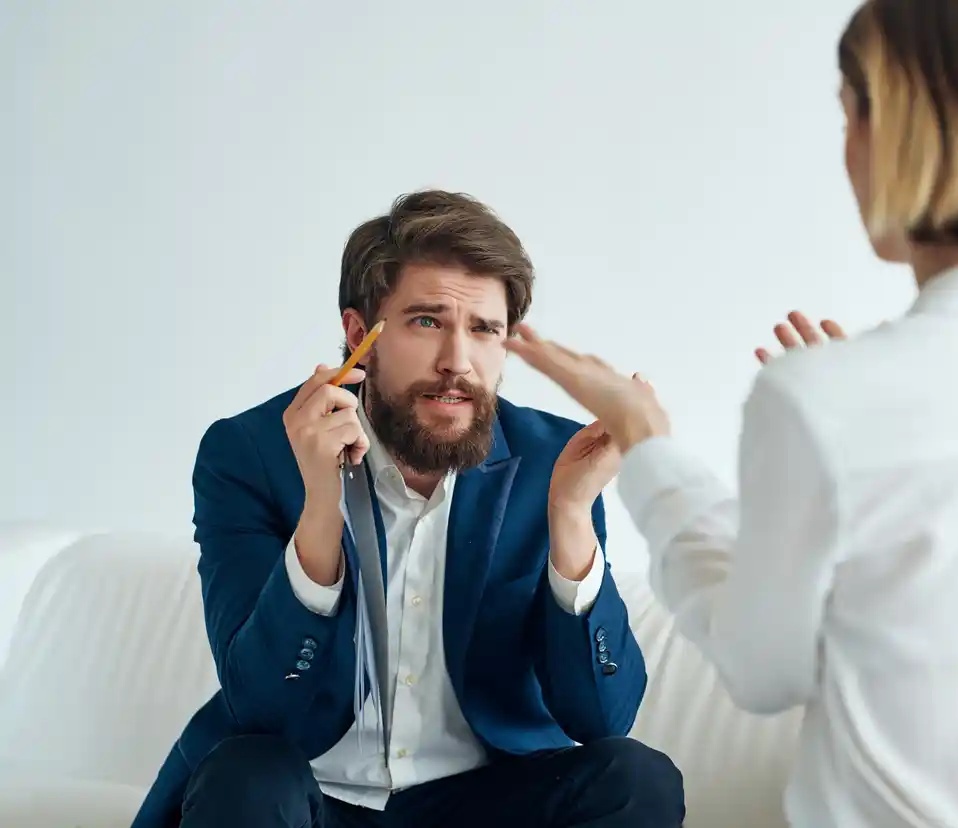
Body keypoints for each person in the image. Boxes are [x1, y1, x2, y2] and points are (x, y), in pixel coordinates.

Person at [504, 1, 958, 827]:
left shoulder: (824, 400)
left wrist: (651, 447)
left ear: (901, 127)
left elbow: (760, 672)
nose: (847, 154)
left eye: (849, 115)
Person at [130, 190, 685, 828]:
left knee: (637, 780)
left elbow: (603, 719)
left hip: (484, 802)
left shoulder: (555, 461)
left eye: (484, 330)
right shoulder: (252, 452)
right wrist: (320, 507)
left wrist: (570, 514)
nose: (458, 362)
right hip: (309, 797)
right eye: (427, 321)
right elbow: (263, 712)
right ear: (357, 334)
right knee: (246, 776)